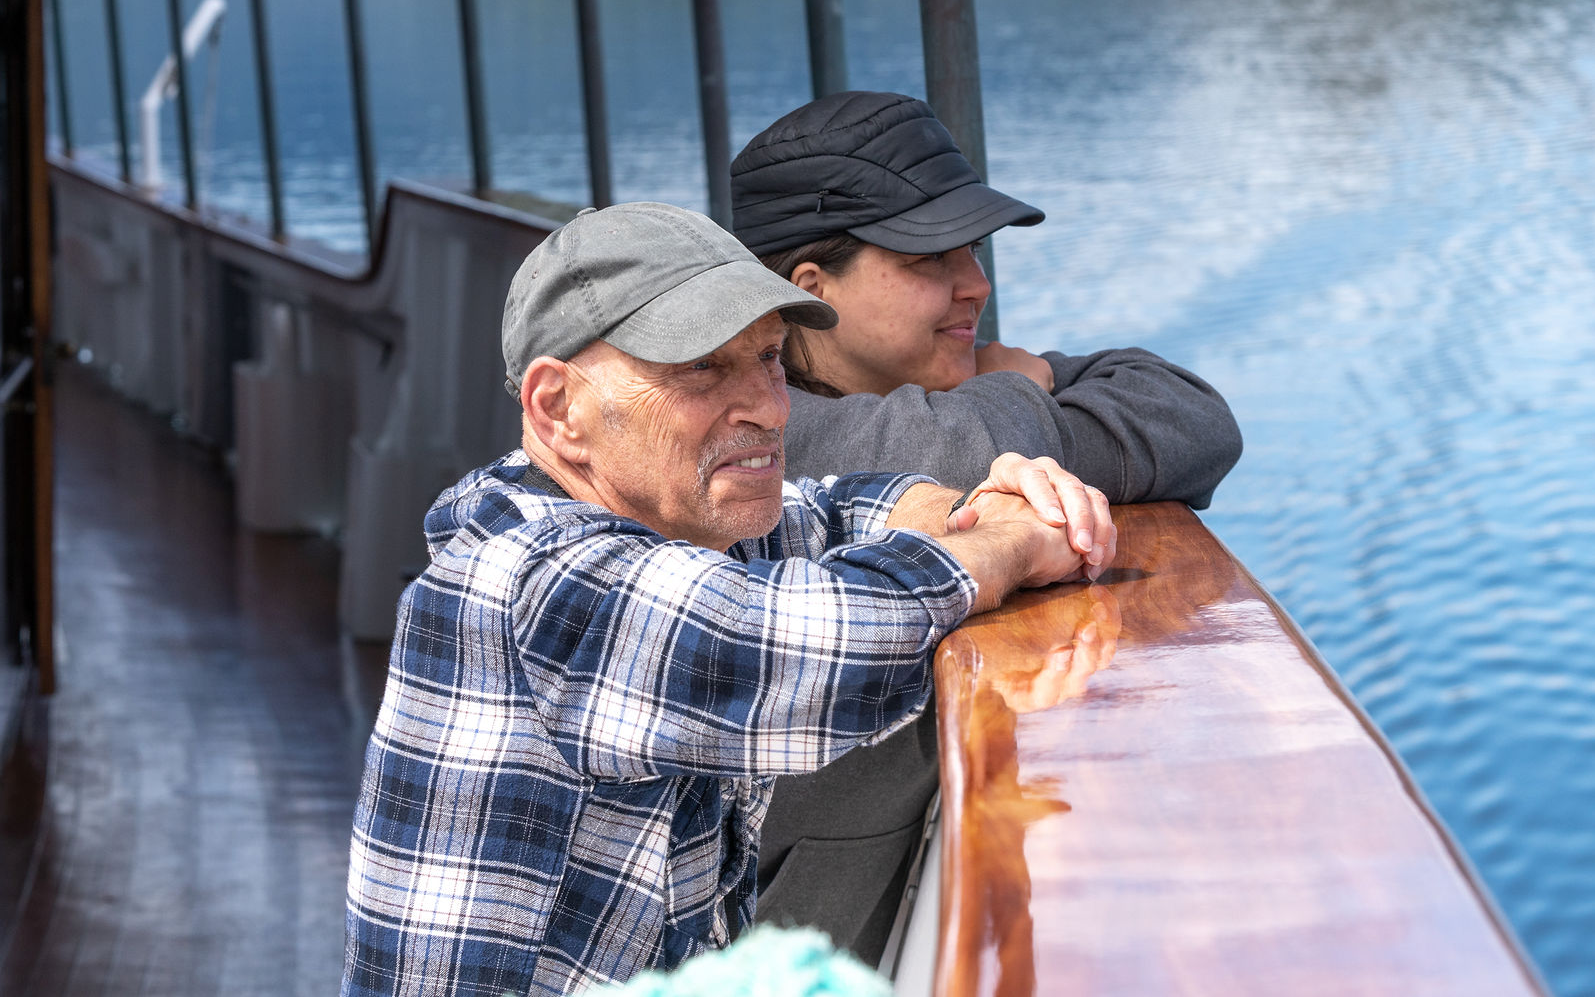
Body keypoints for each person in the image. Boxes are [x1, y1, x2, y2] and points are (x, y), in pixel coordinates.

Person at [343, 202, 1117, 997]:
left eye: (770, 359)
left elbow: (839, 508)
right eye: (702, 369)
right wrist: (1006, 543)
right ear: (558, 408)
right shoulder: (532, 580)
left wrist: (977, 506)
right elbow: (821, 646)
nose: (771, 407)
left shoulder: (684, 525)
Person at [728, 91, 1244, 962]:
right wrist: (1017, 389)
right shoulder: (758, 437)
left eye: (972, 248)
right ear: (811, 291)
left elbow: (1195, 416)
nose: (977, 282)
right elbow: (952, 446)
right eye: (930, 258)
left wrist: (1002, 398)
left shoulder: (943, 387)